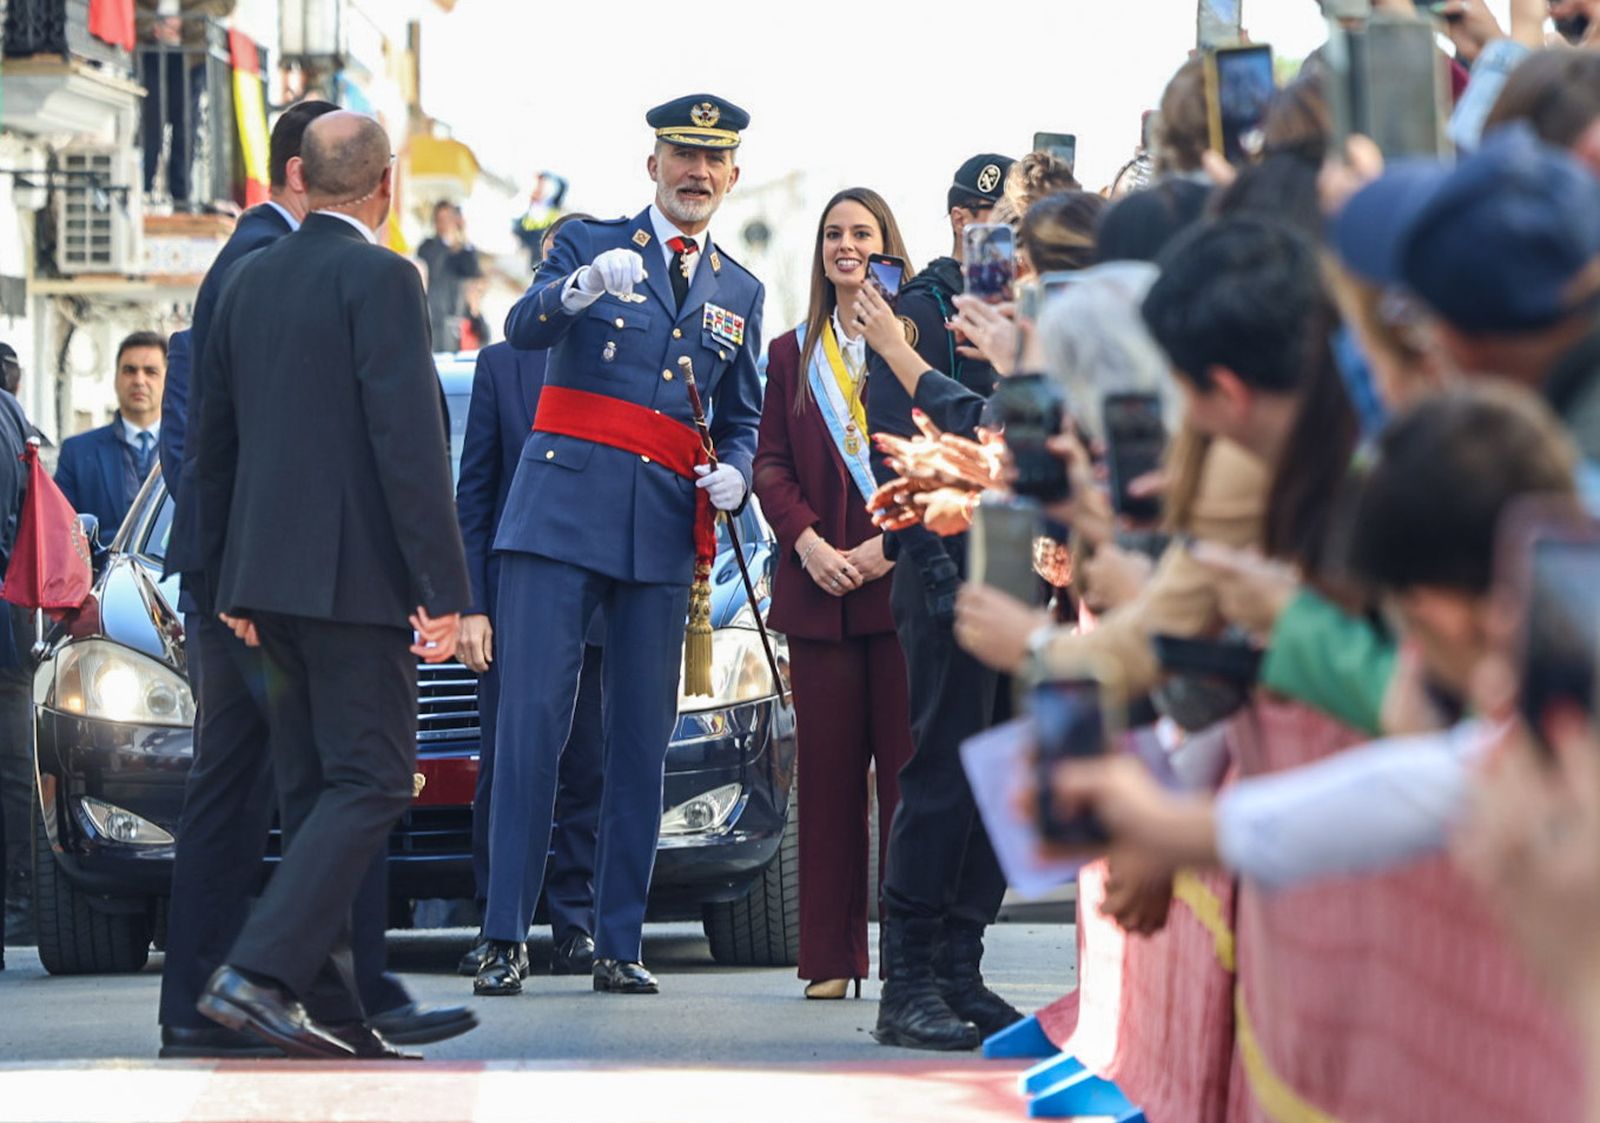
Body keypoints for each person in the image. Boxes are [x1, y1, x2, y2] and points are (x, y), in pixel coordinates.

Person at [157, 99, 469, 1060]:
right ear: (385, 189)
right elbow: (407, 444)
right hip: (354, 590)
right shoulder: (383, 277)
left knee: (311, 791)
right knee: (373, 778)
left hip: (261, 591)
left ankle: (335, 1013)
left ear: (301, 175)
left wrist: (228, 582)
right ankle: (255, 973)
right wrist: (445, 591)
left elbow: (214, 446)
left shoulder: (247, 280)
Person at [478, 93, 763, 999]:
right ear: (653, 164)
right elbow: (523, 327)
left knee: (642, 739)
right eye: (682, 153)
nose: (697, 172)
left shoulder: (740, 291)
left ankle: (616, 940)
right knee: (532, 728)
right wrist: (580, 287)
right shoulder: (585, 240)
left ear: (732, 175)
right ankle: (502, 936)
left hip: (659, 529)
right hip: (560, 514)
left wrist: (741, 474)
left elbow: (744, 415)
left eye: (714, 159)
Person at [855, 151, 1024, 1053]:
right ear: (956, 216)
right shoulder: (917, 309)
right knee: (946, 768)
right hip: (945, 559)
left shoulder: (1021, 310)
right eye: (979, 218)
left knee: (1004, 770)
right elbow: (902, 443)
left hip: (1022, 565)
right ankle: (909, 978)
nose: (989, 235)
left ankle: (961, 963)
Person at [752, 187, 917, 1002]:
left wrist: (890, 547)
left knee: (908, 785)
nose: (846, 246)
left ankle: (913, 956)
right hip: (819, 592)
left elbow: (947, 453)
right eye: (833, 235)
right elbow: (769, 464)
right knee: (823, 783)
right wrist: (810, 542)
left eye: (862, 233)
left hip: (900, 593)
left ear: (888, 245)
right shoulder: (790, 353)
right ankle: (828, 956)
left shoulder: (917, 346)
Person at [454, 212, 604, 981]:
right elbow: (472, 495)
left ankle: (575, 926)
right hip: (515, 606)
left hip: (604, 601)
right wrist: (473, 605)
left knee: (589, 769)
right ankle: (498, 921)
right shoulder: (501, 364)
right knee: (512, 768)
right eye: (551, 265)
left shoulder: (621, 354)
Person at [55, 332, 167, 540]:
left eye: (150, 372)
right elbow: (59, 531)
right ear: (116, 378)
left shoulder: (191, 450)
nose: (139, 380)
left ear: (168, 380)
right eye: (129, 371)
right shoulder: (77, 453)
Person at [418, 202, 481, 354]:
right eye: (440, 219)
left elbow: (473, 274)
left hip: (457, 315)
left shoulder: (465, 250)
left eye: (448, 219)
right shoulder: (428, 246)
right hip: (431, 314)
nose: (444, 223)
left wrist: (461, 236)